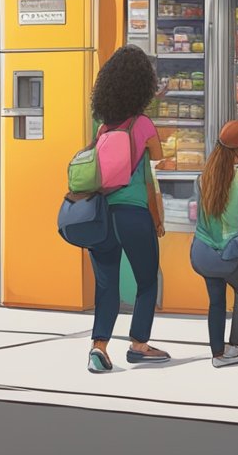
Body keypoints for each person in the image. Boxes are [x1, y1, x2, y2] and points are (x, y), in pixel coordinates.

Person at [85, 45, 169, 374]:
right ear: (143, 86)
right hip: (134, 214)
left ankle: (99, 347)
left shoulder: (104, 128)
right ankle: (138, 345)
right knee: (146, 281)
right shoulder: (144, 125)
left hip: (102, 216)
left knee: (106, 285)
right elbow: (157, 158)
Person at [194, 120, 238, 367]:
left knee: (216, 300)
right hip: (231, 254)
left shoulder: (204, 176)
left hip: (203, 252)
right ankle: (235, 347)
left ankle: (217, 353)